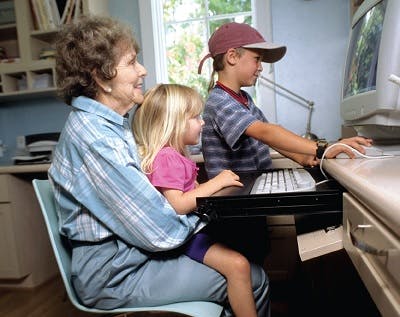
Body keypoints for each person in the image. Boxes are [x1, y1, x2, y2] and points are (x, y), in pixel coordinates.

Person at [48, 16, 270, 316]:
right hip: (115, 275)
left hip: (130, 257)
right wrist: (209, 210)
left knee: (240, 265)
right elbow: (161, 231)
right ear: (100, 77)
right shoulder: (95, 139)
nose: (143, 70)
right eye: (131, 62)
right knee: (252, 279)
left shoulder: (110, 127)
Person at [133, 83, 260, 317]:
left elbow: (192, 191)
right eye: (194, 117)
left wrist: (222, 188)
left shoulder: (176, 156)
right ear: (173, 123)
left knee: (243, 252)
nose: (202, 122)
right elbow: (178, 204)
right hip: (186, 240)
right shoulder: (166, 158)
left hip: (192, 233)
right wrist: (216, 182)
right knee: (238, 265)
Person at [198, 22, 373, 178]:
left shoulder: (244, 99)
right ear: (232, 57)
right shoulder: (219, 101)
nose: (260, 68)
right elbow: (267, 132)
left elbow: (269, 140)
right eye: (257, 59)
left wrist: (302, 157)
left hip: (252, 184)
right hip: (233, 201)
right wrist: (323, 147)